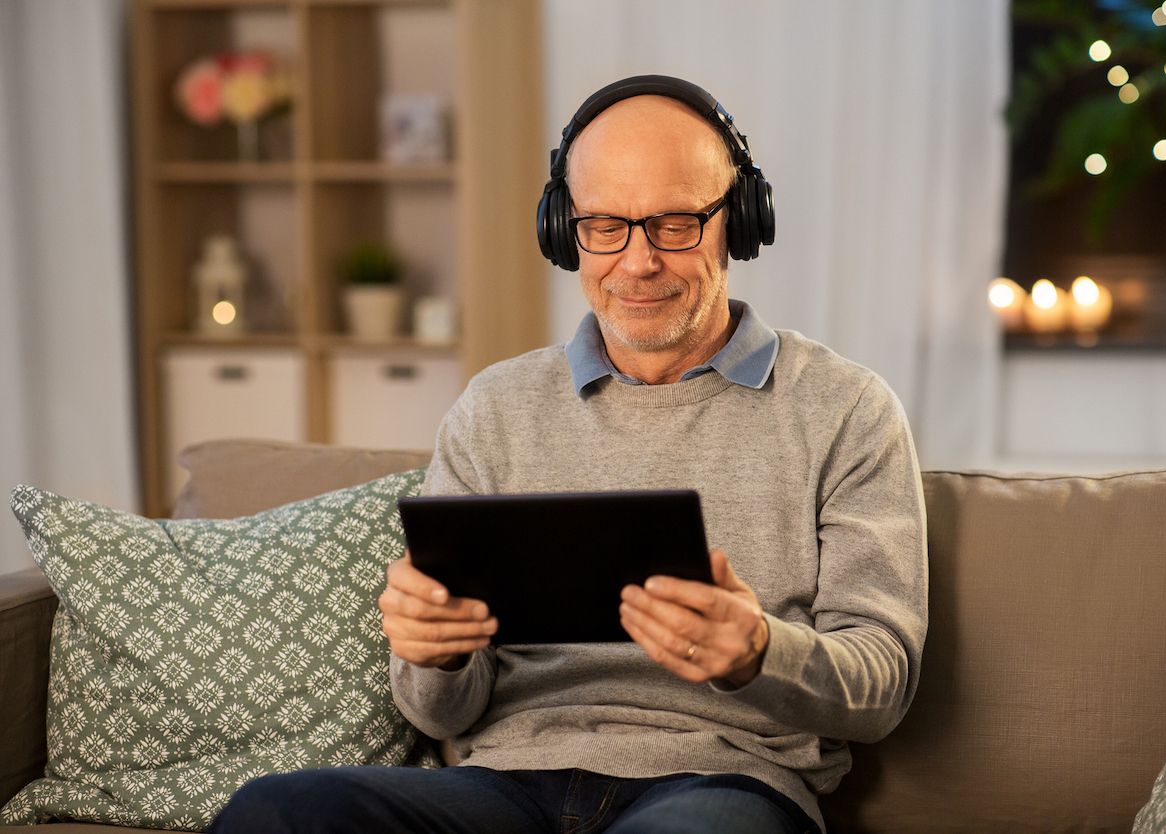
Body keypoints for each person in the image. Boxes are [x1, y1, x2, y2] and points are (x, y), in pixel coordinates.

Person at [209, 75, 927, 834]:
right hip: (507, 783)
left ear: (740, 222)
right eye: (605, 225)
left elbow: (882, 686)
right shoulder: (496, 409)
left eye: (676, 223)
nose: (638, 261)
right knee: (276, 812)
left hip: (727, 783)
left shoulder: (847, 408)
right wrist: (435, 656)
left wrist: (757, 652)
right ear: (563, 230)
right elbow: (435, 708)